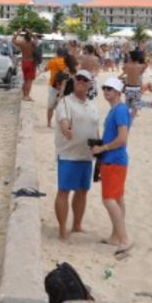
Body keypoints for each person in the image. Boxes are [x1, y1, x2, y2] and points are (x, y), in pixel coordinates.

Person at [54, 69, 100, 240]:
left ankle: (77, 225)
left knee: (82, 191)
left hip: (87, 156)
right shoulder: (65, 102)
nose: (80, 81)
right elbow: (63, 121)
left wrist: (100, 150)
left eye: (84, 79)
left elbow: (96, 128)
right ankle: (62, 229)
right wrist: (66, 130)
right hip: (67, 155)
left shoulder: (93, 105)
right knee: (63, 191)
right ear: (74, 81)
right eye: (78, 78)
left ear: (90, 84)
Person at [93, 77, 133, 256]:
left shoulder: (120, 111)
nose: (106, 92)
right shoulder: (116, 110)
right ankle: (116, 236)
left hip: (115, 159)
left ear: (118, 91)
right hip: (113, 159)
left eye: (109, 89)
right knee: (117, 199)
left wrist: (103, 147)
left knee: (109, 199)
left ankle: (124, 238)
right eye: (104, 88)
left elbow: (123, 138)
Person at [12, 30, 39, 102]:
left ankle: (24, 95)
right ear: (30, 37)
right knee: (29, 81)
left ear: (24, 37)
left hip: (24, 62)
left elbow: (13, 40)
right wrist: (30, 32)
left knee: (25, 80)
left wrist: (18, 32)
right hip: (31, 62)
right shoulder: (32, 44)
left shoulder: (22, 43)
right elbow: (36, 38)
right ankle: (27, 96)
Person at [45, 48, 69, 127]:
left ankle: (49, 123)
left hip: (53, 85)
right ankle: (61, 124)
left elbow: (46, 69)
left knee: (50, 107)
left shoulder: (52, 61)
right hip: (63, 86)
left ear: (57, 53)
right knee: (63, 107)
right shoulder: (66, 62)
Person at [121, 49, 148, 118]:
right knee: (135, 107)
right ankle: (131, 119)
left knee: (128, 105)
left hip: (128, 88)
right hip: (137, 88)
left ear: (131, 57)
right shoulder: (141, 66)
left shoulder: (127, 66)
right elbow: (146, 64)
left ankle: (127, 118)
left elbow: (123, 69)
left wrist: (129, 60)